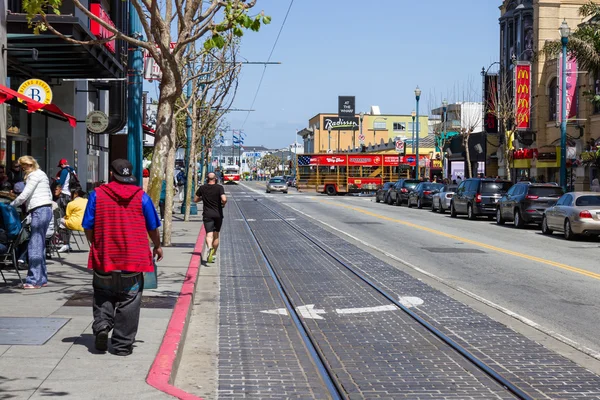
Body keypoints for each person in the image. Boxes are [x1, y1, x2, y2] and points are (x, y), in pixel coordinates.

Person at [82, 159, 162, 355]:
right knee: (129, 301)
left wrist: (96, 244)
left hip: (105, 259)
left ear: (111, 174)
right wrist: (158, 246)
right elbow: (152, 227)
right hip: (132, 262)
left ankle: (102, 326)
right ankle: (122, 345)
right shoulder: (141, 197)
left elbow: (88, 226)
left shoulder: (97, 195)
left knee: (103, 295)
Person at [10, 156, 53, 289]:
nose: (23, 170)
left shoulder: (34, 175)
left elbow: (24, 195)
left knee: (34, 244)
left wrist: (11, 205)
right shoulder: (42, 174)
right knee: (40, 245)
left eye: (23, 167)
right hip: (46, 209)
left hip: (39, 210)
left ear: (27, 166)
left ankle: (34, 280)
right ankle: (42, 277)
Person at [194, 172, 227, 263]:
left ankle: (209, 248)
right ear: (215, 179)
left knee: (209, 234)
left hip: (207, 214)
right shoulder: (219, 188)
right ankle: (214, 254)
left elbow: (195, 200)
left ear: (207, 179)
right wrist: (223, 204)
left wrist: (202, 198)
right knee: (216, 235)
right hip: (218, 215)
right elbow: (224, 199)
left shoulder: (202, 188)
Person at [58, 188, 88, 253]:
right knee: (67, 224)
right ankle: (67, 244)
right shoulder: (87, 201)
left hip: (75, 224)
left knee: (60, 222)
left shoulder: (71, 203)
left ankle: (66, 243)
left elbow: (67, 216)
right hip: (86, 224)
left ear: (75, 194)